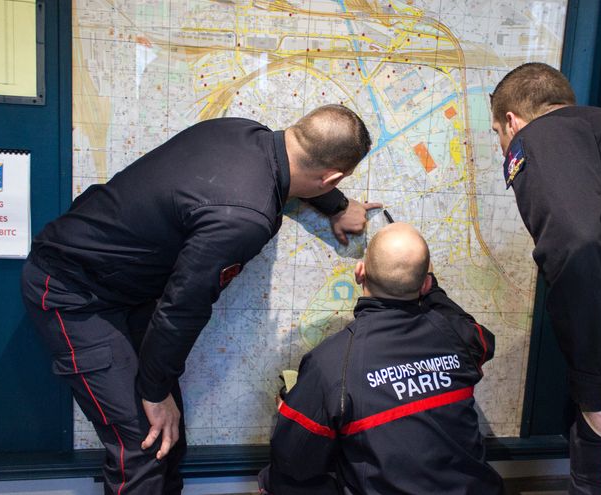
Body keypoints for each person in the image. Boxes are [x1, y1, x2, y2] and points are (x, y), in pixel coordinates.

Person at [21, 104, 381, 494]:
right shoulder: (245, 217)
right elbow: (183, 308)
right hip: (71, 290)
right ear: (333, 176)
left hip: (123, 283)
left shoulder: (239, 130)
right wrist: (155, 392)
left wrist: (339, 205)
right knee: (145, 447)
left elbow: (294, 169)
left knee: (168, 439)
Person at [490, 62, 601, 494]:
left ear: (512, 120)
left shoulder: (542, 136)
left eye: (498, 136)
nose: (503, 147)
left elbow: (578, 247)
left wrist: (594, 395)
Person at [259, 222, 504, 494]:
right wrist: (433, 290)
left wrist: (292, 414)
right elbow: (481, 339)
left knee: (278, 480)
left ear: (359, 272)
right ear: (425, 284)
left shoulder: (330, 363)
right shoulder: (459, 336)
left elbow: (293, 460)